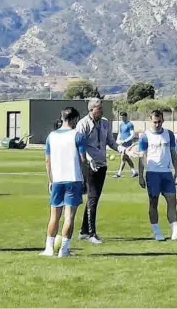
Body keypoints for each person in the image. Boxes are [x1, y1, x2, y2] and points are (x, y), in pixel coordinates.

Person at [134, 110, 177, 241]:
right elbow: (142, 157)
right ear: (150, 120)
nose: (157, 124)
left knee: (172, 201)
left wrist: (176, 171)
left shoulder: (169, 134)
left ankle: (176, 232)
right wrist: (141, 176)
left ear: (163, 120)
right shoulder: (145, 136)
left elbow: (173, 154)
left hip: (167, 173)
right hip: (152, 174)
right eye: (155, 122)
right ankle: (157, 232)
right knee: (153, 203)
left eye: (159, 121)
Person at [76, 98, 127, 244]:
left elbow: (110, 141)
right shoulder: (83, 124)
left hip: (102, 164)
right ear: (91, 109)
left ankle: (84, 231)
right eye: (99, 108)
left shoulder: (105, 122)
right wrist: (87, 159)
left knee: (94, 198)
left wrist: (121, 149)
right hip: (89, 166)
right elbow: (80, 145)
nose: (102, 110)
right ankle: (92, 233)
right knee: (92, 197)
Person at [40, 107, 86, 257]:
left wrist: (51, 180)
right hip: (73, 179)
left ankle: (48, 248)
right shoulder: (77, 136)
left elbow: (47, 161)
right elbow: (83, 159)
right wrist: (84, 178)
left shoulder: (51, 136)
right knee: (69, 217)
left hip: (57, 180)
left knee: (54, 216)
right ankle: (64, 250)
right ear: (73, 119)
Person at [113, 111, 138, 178]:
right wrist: (118, 140)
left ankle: (119, 173)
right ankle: (134, 172)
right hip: (122, 144)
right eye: (121, 117)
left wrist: (125, 140)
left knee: (123, 158)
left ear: (126, 117)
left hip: (128, 144)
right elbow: (120, 133)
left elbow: (132, 135)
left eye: (123, 117)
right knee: (126, 158)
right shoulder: (121, 124)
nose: (122, 119)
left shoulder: (130, 124)